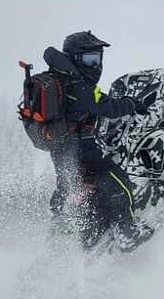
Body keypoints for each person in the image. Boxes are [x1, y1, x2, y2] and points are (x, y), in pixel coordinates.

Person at [36, 30, 155, 250]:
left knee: (68, 186)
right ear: (75, 58)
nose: (96, 65)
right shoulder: (80, 86)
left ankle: (62, 232)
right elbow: (109, 107)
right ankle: (126, 232)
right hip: (83, 148)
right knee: (117, 180)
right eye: (91, 59)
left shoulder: (58, 80)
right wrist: (132, 103)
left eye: (98, 59)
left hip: (61, 150)